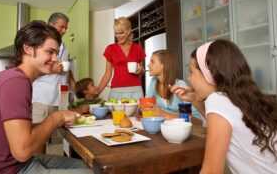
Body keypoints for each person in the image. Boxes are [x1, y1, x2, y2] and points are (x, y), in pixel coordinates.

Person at [0, 20, 93, 174]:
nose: (55, 59)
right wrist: (57, 117)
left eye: (56, 53)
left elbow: (20, 134)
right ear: (28, 49)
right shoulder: (16, 82)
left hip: (18, 162)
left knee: (85, 167)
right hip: (4, 169)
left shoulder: (18, 79)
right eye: (50, 52)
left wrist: (58, 119)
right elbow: (22, 150)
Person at [170, 39, 277, 174]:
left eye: (191, 71)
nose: (189, 78)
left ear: (209, 73)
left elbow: (211, 171)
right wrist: (196, 100)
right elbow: (228, 122)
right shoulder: (240, 98)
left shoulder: (218, 101)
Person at [32, 12, 69, 153]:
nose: (64, 31)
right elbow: (33, 68)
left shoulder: (64, 46)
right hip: (42, 99)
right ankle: (38, 166)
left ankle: (47, 164)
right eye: (62, 27)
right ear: (50, 24)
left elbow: (65, 68)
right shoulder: (39, 42)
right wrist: (53, 70)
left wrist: (74, 82)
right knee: (39, 138)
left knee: (52, 138)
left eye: (66, 28)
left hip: (58, 99)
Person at [146, 50, 202, 124]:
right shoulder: (154, 81)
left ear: (163, 65)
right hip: (163, 126)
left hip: (180, 129)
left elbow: (197, 120)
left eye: (152, 62)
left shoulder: (180, 85)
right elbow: (146, 104)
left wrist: (164, 114)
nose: (148, 65)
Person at [98, 17, 146, 101]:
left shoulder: (138, 48)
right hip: (117, 91)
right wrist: (97, 92)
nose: (118, 36)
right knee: (116, 114)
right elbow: (107, 73)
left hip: (136, 90)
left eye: (121, 33)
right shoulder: (110, 48)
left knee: (137, 114)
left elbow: (141, 71)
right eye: (116, 33)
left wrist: (141, 69)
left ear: (128, 31)